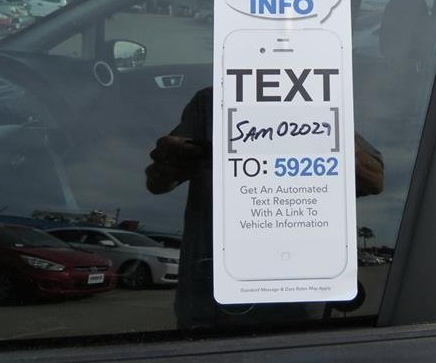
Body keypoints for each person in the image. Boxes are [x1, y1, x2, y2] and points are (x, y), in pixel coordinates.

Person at [146, 87, 383, 330]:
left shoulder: (315, 105)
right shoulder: (211, 101)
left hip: (300, 307)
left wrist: (323, 127)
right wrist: (169, 163)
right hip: (209, 306)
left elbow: (374, 180)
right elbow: (156, 182)